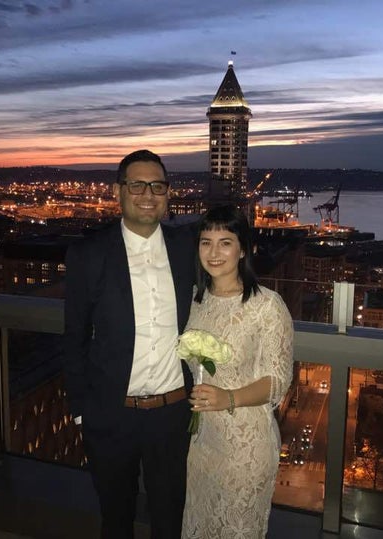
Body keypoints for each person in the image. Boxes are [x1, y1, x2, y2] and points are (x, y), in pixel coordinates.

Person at [63, 149, 195, 539]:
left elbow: (232, 269)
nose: (148, 193)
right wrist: (81, 411)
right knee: (116, 520)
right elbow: (74, 336)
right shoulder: (89, 254)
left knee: (170, 521)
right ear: (118, 191)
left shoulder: (187, 248)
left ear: (169, 193)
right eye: (136, 184)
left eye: (157, 185)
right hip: (110, 414)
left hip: (172, 415)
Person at [181, 204, 294, 538]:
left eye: (225, 242)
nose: (214, 252)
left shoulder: (266, 305)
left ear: (243, 248)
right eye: (206, 242)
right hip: (202, 442)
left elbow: (278, 381)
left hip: (245, 446)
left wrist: (228, 397)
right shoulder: (194, 300)